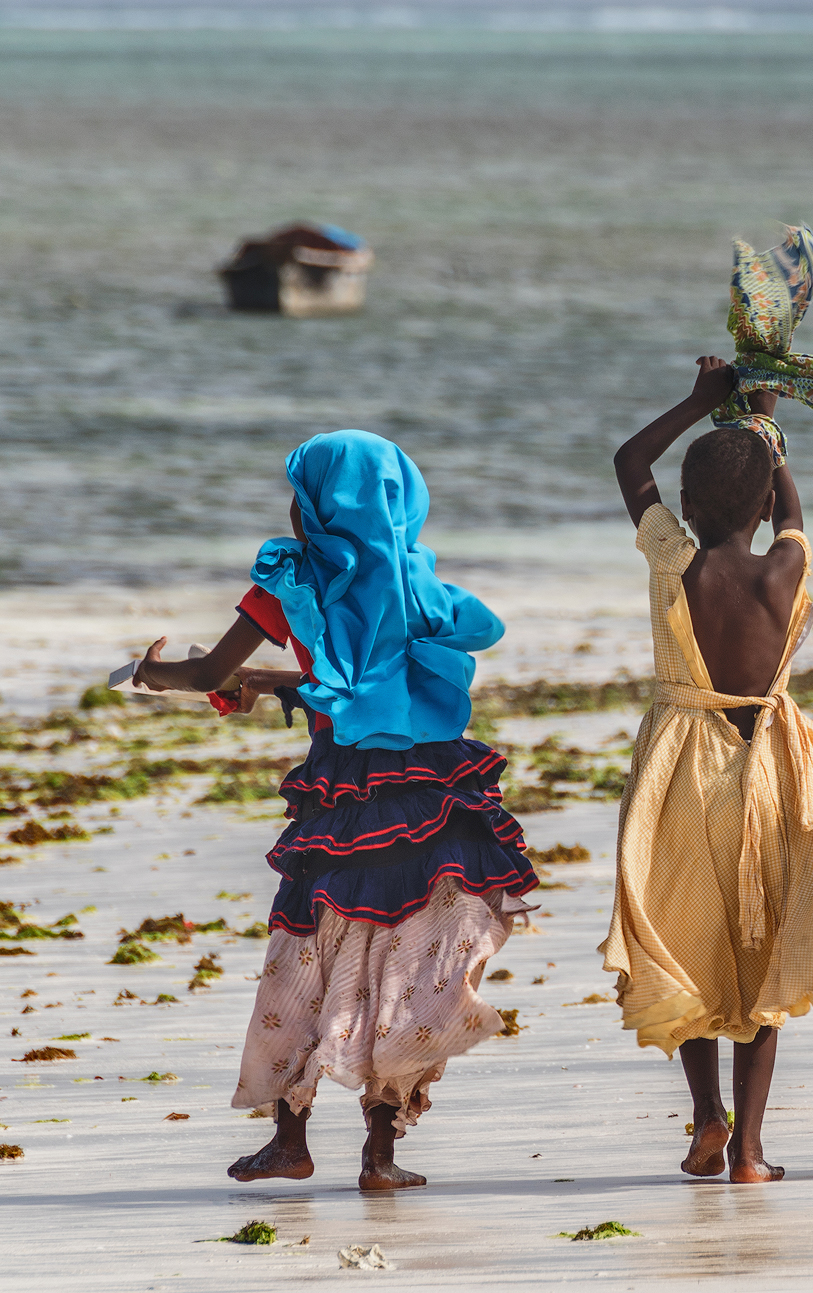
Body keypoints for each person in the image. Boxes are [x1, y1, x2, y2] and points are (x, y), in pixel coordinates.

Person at [131, 430, 536, 1191]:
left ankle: (290, 1136)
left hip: (343, 798)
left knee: (308, 952)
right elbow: (466, 634)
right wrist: (294, 682)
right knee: (405, 961)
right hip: (431, 792)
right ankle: (380, 1154)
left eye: (301, 496)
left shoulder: (289, 579)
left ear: (312, 508)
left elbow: (214, 671)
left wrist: (154, 672)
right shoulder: (417, 583)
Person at [600, 355, 813, 1184]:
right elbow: (790, 510)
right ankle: (752, 1152)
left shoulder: (672, 561)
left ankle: (706, 1119)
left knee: (681, 938)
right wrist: (765, 419)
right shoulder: (785, 568)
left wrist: (699, 402)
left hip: (680, 772)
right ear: (767, 505)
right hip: (767, 770)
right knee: (760, 955)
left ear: (683, 508)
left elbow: (629, 464)